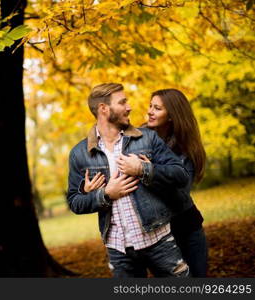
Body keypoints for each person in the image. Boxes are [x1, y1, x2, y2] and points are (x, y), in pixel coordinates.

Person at [67, 83, 190, 278]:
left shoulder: (147, 138)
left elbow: (181, 175)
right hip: (118, 250)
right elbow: (74, 202)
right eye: (123, 102)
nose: (129, 107)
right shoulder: (79, 154)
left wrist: (143, 169)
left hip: (158, 240)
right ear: (103, 109)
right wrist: (105, 194)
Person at [145, 89, 208, 277]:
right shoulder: (139, 138)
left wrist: (149, 172)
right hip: (156, 234)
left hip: (186, 228)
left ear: (172, 115)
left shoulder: (186, 148)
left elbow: (180, 195)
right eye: (150, 106)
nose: (149, 111)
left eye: (157, 108)